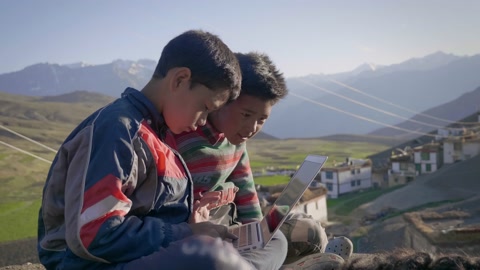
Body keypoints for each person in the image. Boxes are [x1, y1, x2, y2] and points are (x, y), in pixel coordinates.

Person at [37, 29, 255, 270]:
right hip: (87, 264)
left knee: (270, 242)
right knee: (210, 258)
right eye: (204, 107)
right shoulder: (118, 132)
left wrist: (193, 224)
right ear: (180, 79)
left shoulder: (158, 133)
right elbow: (95, 235)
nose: (203, 121)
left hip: (138, 255)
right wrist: (186, 233)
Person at [171, 52, 338, 267]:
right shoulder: (184, 136)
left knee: (307, 230)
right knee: (275, 245)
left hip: (234, 233)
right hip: (203, 239)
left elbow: (246, 188)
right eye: (246, 115)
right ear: (222, 99)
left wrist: (258, 234)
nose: (252, 129)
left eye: (262, 120)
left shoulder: (237, 141)